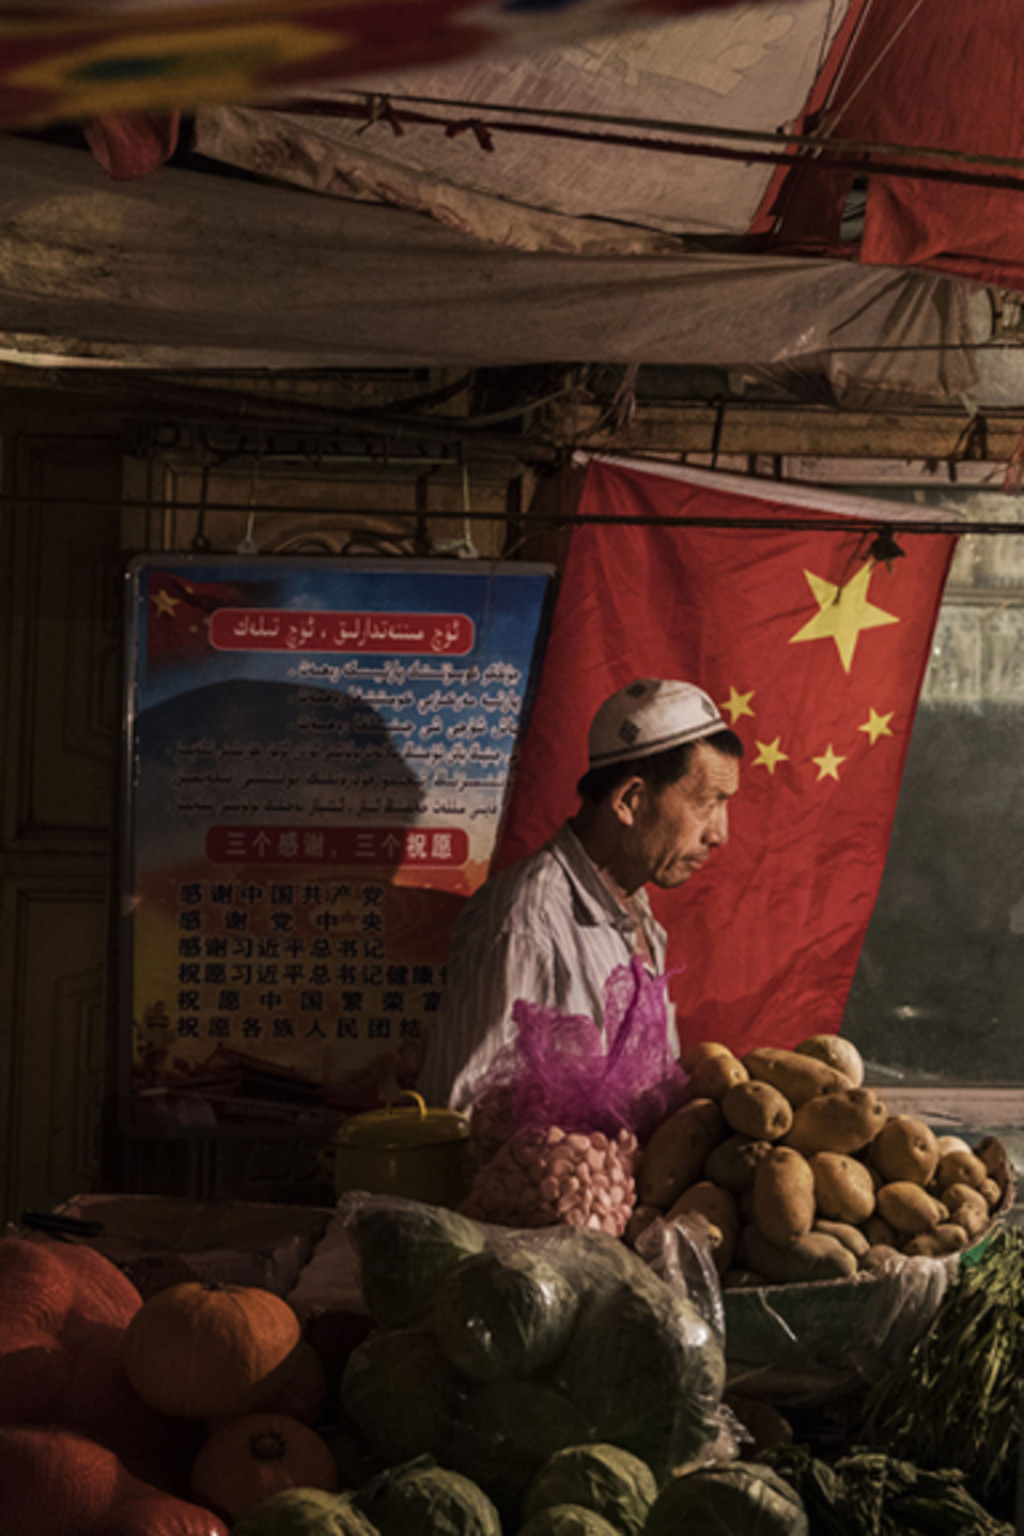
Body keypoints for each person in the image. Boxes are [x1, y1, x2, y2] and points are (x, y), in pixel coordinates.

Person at [418, 677, 743, 1111]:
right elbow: (465, 1109)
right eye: (706, 803)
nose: (719, 833)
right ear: (629, 801)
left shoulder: (633, 905)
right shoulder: (527, 920)